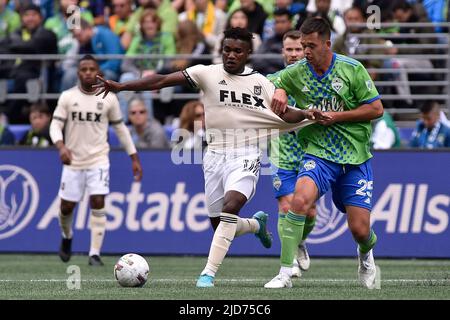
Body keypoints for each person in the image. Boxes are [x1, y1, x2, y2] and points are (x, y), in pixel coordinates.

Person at [93, 27, 329, 287]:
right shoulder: (207, 73)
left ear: (248, 53)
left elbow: (284, 115)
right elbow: (161, 80)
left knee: (231, 207)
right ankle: (254, 225)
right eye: (226, 49)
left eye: (237, 51)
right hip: (214, 155)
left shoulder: (261, 82)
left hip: (246, 154)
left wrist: (306, 114)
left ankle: (208, 273)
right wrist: (122, 86)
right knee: (219, 223)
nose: (230, 55)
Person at [265, 17, 384, 289]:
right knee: (298, 201)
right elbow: (272, 81)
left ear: (327, 44)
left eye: (311, 46)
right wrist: (280, 89)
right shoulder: (298, 71)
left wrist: (337, 116)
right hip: (319, 154)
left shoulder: (351, 69)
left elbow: (376, 109)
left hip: (355, 157)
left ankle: (366, 254)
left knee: (360, 230)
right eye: (303, 45)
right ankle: (285, 272)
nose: (306, 51)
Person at [49, 55, 143, 266]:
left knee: (98, 201)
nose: (89, 73)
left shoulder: (108, 98)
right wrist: (61, 146)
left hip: (99, 159)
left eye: (92, 69)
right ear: (78, 73)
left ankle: (94, 253)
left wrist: (134, 157)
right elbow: (55, 125)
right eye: (84, 69)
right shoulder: (67, 96)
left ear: (98, 72)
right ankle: (67, 237)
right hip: (73, 160)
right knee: (66, 207)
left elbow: (120, 128)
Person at [264, 30, 317, 279]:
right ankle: (288, 260)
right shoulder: (272, 79)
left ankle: (299, 242)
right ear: (282, 51)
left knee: (309, 212)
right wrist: (279, 88)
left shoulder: (317, 78)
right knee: (286, 206)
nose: (294, 54)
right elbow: (262, 87)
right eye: (289, 49)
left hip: (313, 152)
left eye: (298, 49)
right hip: (281, 153)